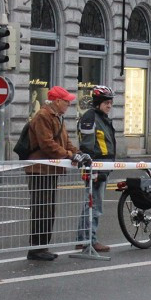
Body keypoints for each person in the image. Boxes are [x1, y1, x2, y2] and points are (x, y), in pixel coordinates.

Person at [26, 86, 87, 261]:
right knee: (41, 209)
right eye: (66, 101)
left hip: (50, 170)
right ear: (57, 101)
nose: (69, 104)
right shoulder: (43, 116)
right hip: (40, 170)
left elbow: (66, 141)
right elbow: (47, 144)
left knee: (48, 209)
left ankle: (42, 246)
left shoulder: (58, 117)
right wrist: (70, 155)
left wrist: (77, 152)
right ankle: (37, 248)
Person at [76, 85, 116, 253]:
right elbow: (87, 146)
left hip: (103, 166)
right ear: (98, 102)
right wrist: (94, 168)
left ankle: (82, 239)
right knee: (93, 205)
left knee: (91, 204)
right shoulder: (90, 117)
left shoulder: (101, 117)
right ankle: (89, 240)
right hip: (96, 167)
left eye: (111, 103)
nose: (109, 106)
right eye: (106, 102)